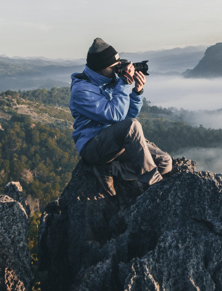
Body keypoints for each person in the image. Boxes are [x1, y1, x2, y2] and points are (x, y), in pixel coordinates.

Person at [69, 38, 172, 196]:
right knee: (132, 125)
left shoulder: (111, 81)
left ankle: (110, 169)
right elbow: (116, 116)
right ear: (100, 68)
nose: (118, 70)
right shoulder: (82, 90)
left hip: (114, 143)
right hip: (93, 147)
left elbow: (125, 118)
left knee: (165, 163)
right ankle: (153, 185)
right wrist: (123, 83)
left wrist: (137, 93)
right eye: (114, 67)